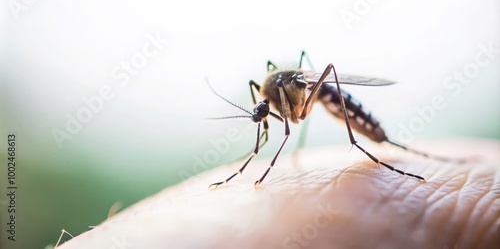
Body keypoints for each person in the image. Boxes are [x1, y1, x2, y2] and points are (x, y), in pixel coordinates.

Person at [58, 139, 499, 249]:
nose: (263, 121)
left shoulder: (290, 92)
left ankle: (373, 150)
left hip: (335, 99)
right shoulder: (267, 100)